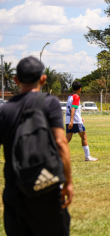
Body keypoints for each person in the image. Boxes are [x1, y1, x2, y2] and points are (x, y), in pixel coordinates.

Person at [0, 56, 73, 235]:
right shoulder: (50, 103)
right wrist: (68, 182)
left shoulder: (4, 110)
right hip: (45, 185)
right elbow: (61, 143)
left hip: (14, 187)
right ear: (43, 79)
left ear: (15, 80)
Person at [66, 81, 98, 161]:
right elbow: (73, 108)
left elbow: (73, 109)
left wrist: (79, 117)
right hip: (75, 121)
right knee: (84, 136)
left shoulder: (70, 96)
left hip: (69, 119)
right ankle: (87, 157)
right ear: (80, 89)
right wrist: (72, 121)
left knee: (67, 139)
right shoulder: (76, 97)